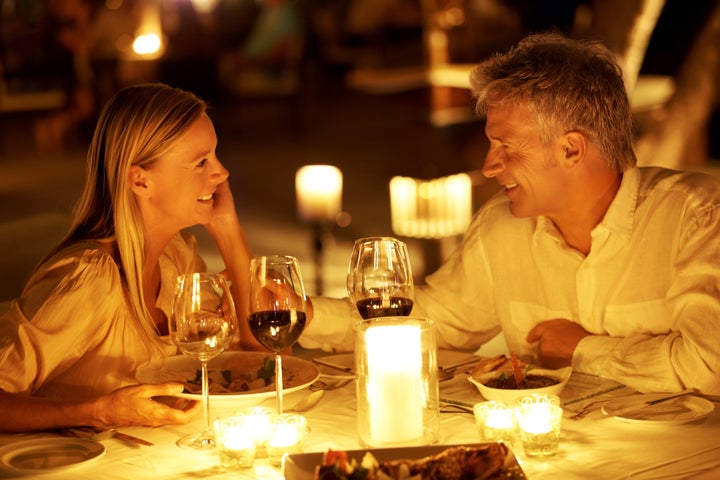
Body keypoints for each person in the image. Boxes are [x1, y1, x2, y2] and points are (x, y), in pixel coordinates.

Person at [299, 32, 720, 396]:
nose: (488, 166)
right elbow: (437, 320)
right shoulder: (502, 226)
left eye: (506, 146)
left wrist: (583, 350)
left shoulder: (697, 219)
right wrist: (305, 313)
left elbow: (710, 366)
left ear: (571, 148)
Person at [0, 83, 262, 432]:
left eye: (215, 155)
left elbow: (263, 357)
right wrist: (96, 411)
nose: (221, 172)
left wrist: (228, 229)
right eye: (201, 161)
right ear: (140, 181)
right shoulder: (88, 279)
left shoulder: (177, 258)